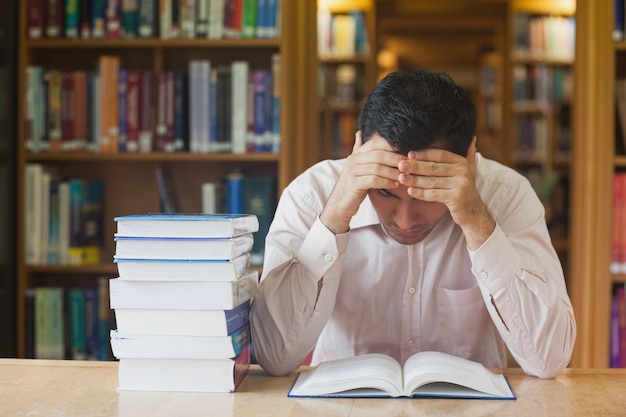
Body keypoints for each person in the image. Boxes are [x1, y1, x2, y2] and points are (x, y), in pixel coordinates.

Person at [249, 68, 576, 379]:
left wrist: (478, 221)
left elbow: (548, 360)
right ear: (358, 148)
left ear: (471, 158)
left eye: (428, 194)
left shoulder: (506, 196)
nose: (405, 221)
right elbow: (275, 357)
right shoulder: (312, 195)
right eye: (384, 193)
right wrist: (334, 217)